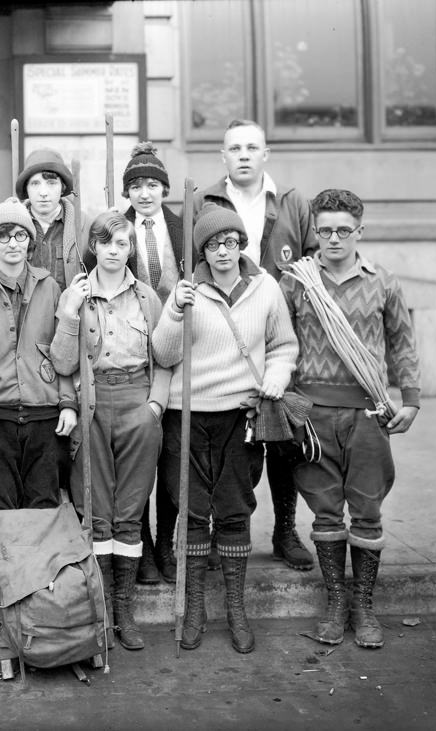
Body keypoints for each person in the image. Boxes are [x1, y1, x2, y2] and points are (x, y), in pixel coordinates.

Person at [153, 206, 298, 654]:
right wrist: (176, 310)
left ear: (242, 245)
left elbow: (283, 344)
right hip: (189, 412)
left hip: (241, 413)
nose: (222, 251)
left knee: (235, 509)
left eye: (231, 242)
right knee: (194, 510)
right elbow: (162, 353)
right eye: (213, 245)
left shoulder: (265, 287)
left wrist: (278, 374)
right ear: (201, 250)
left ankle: (236, 608)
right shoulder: (186, 290)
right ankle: (194, 607)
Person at [280, 189, 420, 649]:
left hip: (368, 412)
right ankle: (335, 601)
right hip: (312, 416)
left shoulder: (383, 282)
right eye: (325, 231)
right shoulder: (298, 282)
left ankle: (363, 603)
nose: (334, 238)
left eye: (344, 230)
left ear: (361, 230)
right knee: (324, 510)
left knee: (367, 510)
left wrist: (412, 400)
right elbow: (277, 340)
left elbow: (401, 343)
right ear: (314, 232)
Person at [194, 119, 319, 572]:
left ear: (266, 154)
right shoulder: (203, 201)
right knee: (228, 446)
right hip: (226, 338)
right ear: (223, 156)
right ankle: (218, 528)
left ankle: (285, 530)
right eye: (234, 148)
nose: (243, 154)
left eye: (252, 147)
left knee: (283, 440)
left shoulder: (291, 202)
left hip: (281, 335)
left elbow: (311, 268)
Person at [50, 210, 171, 651]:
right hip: (93, 403)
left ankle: (126, 612)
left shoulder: (147, 298)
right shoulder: (76, 295)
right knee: (96, 507)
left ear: (131, 249)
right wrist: (68, 314)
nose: (115, 251)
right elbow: (62, 364)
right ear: (94, 247)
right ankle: (99, 611)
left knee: (131, 507)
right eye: (107, 243)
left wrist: (155, 406)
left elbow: (165, 357)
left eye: (123, 244)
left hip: (138, 400)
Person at [0, 197, 77, 511]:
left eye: (20, 235)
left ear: (29, 240)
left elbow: (60, 354)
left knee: (43, 501)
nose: (12, 244)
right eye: (3, 236)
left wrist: (68, 404)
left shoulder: (50, 288)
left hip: (41, 411)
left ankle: (37, 562)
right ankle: (1, 562)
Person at [118, 141, 185, 585]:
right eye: (137, 186)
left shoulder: (185, 228)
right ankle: (139, 545)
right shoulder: (113, 231)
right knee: (136, 454)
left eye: (153, 185)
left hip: (179, 353)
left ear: (164, 188)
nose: (145, 193)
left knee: (175, 454)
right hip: (130, 355)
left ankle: (167, 544)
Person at [14, 147, 91, 292]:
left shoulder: (85, 225)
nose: (43, 192)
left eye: (51, 183)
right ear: (26, 188)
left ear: (62, 188)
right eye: (35, 184)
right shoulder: (11, 226)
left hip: (70, 312)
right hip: (24, 313)